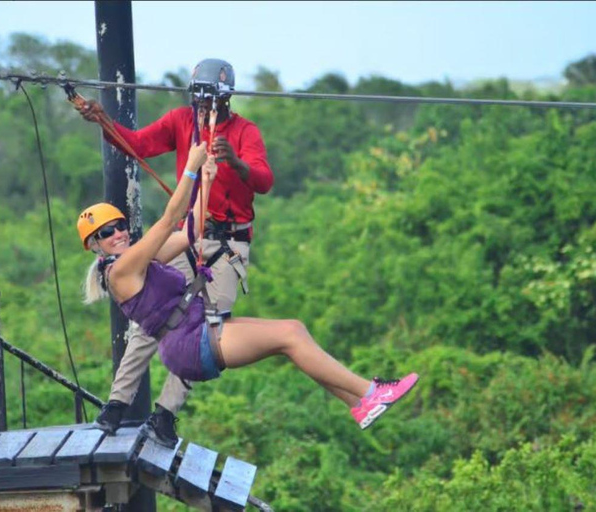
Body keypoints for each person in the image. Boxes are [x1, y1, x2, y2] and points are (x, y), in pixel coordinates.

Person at [78, 141, 419, 443]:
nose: (119, 234)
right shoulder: (121, 271)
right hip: (188, 343)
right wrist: (191, 169)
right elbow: (169, 220)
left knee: (294, 330)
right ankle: (370, 393)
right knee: (288, 335)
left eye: (121, 225)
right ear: (95, 246)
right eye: (108, 232)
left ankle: (359, 404)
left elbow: (190, 231)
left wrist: (207, 181)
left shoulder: (138, 262)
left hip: (198, 330)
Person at [75, 58, 274, 446]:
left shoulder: (245, 132)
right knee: (151, 315)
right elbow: (138, 144)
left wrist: (233, 160)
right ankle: (117, 404)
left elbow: (263, 181)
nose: (204, 110)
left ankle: (164, 415)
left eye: (211, 104)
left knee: (205, 328)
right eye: (199, 102)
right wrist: (104, 122)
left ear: (226, 101)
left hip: (226, 242)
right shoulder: (183, 122)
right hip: (188, 234)